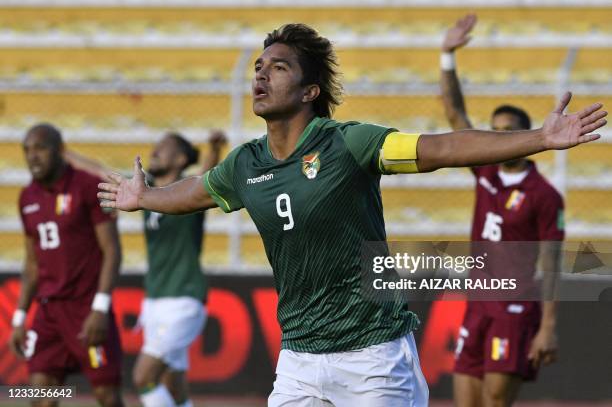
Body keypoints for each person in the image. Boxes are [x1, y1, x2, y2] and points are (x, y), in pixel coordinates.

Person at [97, 24, 606, 406]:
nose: (260, 73)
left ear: (309, 92)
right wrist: (143, 198)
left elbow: (444, 145)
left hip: (374, 360)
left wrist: (541, 138)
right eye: (257, 64)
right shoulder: (244, 163)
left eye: (278, 67)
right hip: (298, 360)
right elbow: (195, 192)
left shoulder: (348, 143)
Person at [441, 14, 566, 406]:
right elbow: (455, 117)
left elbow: (552, 262)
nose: (497, 139)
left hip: (514, 308)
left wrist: (548, 326)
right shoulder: (486, 172)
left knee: (496, 401)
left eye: (506, 132)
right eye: (493, 132)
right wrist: (447, 56)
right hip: (478, 302)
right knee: (465, 399)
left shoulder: (544, 194)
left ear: (524, 137)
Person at [65, 130, 226, 407]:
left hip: (183, 302)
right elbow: (102, 172)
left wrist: (213, 148)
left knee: (143, 378)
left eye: (163, 149)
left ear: (179, 159)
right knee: (172, 386)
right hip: (153, 303)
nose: (154, 152)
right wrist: (64, 153)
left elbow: (207, 173)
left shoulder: (189, 193)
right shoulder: (146, 192)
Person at [9, 123, 124, 407]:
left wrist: (100, 307)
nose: (32, 156)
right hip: (49, 313)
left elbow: (112, 250)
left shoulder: (86, 187)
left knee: (106, 396)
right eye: (27, 150)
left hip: (86, 309)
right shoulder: (27, 197)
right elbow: (32, 262)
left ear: (61, 151)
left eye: (40, 148)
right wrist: (20, 316)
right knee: (41, 396)